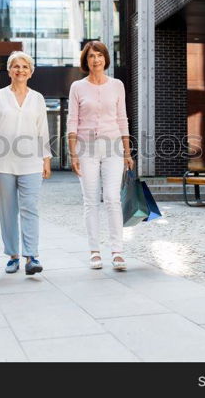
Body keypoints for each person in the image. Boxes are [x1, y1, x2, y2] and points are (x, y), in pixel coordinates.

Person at [0, 51, 52, 275]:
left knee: (30, 209)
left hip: (31, 163)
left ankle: (31, 256)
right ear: (9, 71)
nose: (20, 70)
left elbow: (42, 130)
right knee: (8, 211)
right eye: (16, 66)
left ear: (31, 72)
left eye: (25, 67)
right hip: (2, 163)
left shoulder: (37, 98)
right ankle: (13, 256)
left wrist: (46, 159)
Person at [67, 41, 133, 271]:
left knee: (113, 198)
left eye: (99, 55)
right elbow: (72, 121)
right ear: (85, 61)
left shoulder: (117, 85)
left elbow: (122, 118)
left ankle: (117, 251)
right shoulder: (77, 87)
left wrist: (127, 151)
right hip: (86, 149)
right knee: (91, 201)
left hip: (113, 147)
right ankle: (94, 250)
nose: (96, 60)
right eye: (91, 56)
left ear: (105, 59)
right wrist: (73, 153)